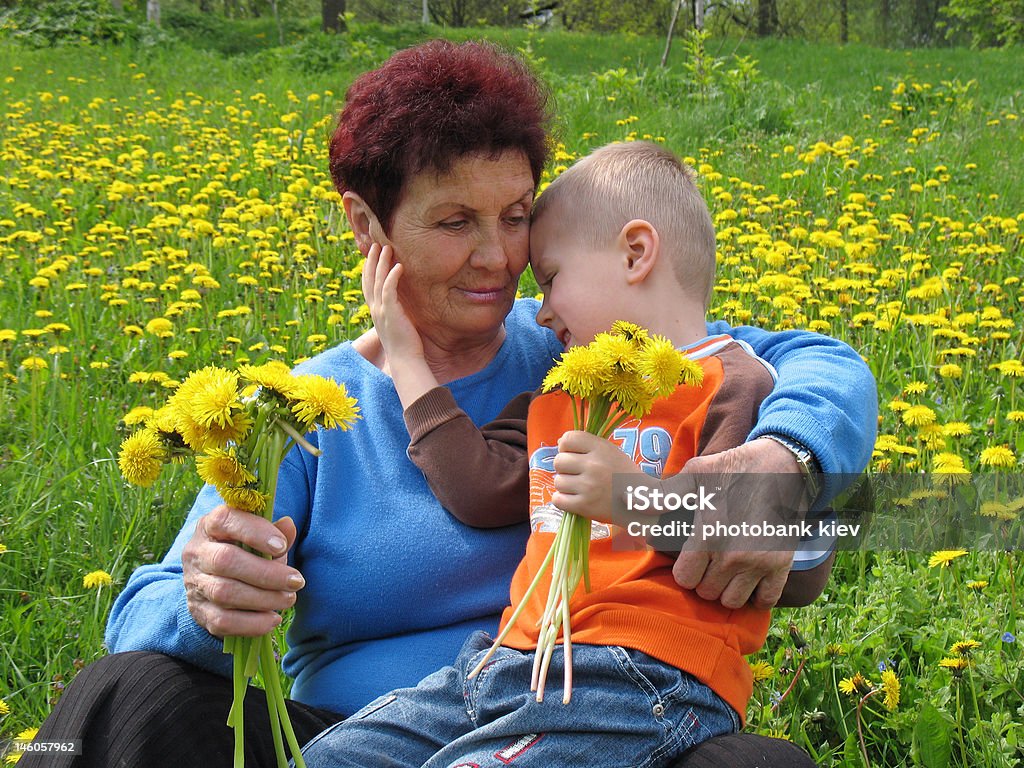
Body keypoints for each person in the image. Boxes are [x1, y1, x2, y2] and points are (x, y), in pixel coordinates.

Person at [21, 40, 875, 768]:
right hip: (369, 728)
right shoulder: (303, 410)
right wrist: (208, 594)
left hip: (599, 708)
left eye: (514, 217)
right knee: (122, 696)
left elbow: (805, 360)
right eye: (455, 221)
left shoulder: (587, 354)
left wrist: (784, 458)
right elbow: (144, 609)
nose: (500, 260)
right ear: (366, 227)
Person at [297, 141, 831, 768]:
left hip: (643, 673)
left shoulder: (735, 386)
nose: (542, 312)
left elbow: (796, 564)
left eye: (551, 280)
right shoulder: (560, 393)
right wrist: (405, 357)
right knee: (336, 756)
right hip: (507, 660)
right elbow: (477, 489)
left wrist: (633, 499)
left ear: (636, 254)